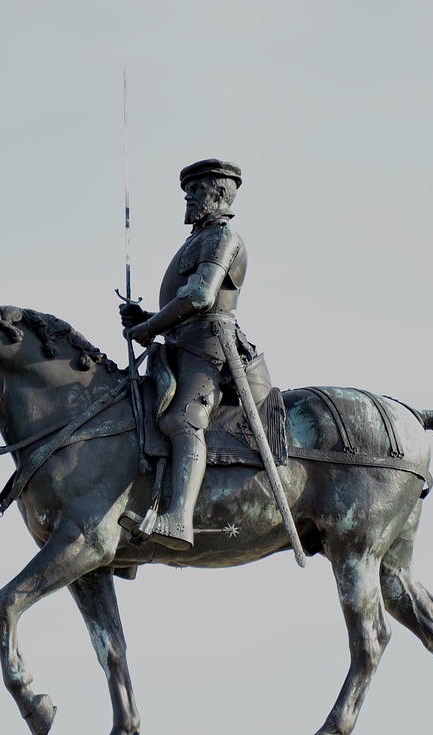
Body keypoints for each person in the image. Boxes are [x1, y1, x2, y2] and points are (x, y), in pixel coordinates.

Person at [119, 158, 256, 551]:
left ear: (218, 192)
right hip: (181, 342)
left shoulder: (220, 238)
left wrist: (149, 328)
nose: (189, 196)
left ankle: (178, 518)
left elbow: (200, 296)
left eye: (196, 189)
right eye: (188, 190)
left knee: (184, 419)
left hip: (209, 345)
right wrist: (145, 317)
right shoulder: (196, 239)